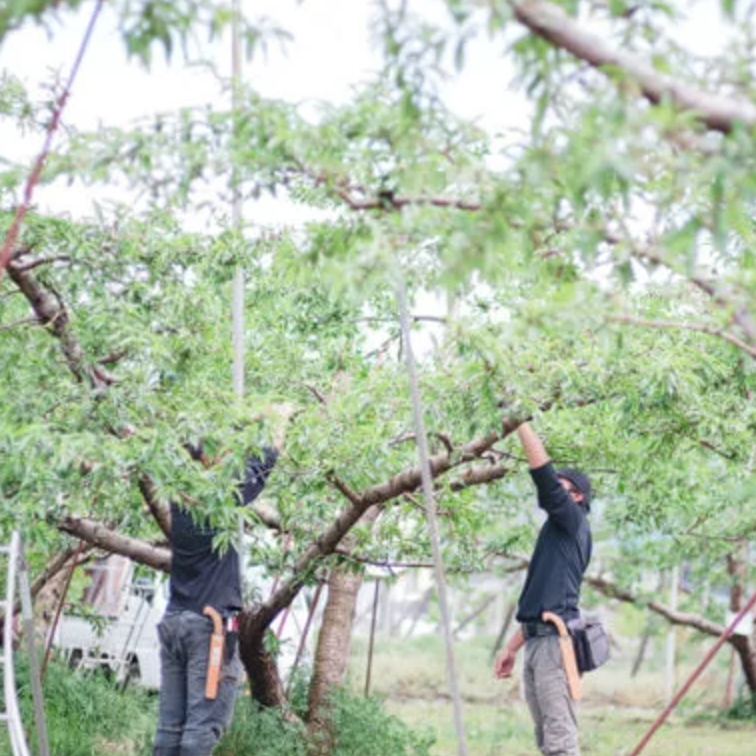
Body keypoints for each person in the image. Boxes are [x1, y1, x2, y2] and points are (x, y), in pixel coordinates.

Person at [153, 408, 291, 756]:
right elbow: (264, 462)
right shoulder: (217, 498)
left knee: (170, 727)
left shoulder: (178, 495)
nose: (229, 455)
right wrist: (280, 417)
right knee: (203, 728)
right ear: (209, 458)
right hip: (208, 628)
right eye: (223, 450)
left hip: (175, 621)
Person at [493, 421, 593, 756]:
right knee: (546, 738)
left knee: (560, 739)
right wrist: (511, 648)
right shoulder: (555, 537)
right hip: (538, 640)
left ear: (576, 496)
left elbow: (544, 477)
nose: (552, 493)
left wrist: (519, 423)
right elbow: (541, 602)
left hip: (554, 643)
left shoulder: (573, 521)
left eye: (562, 488)